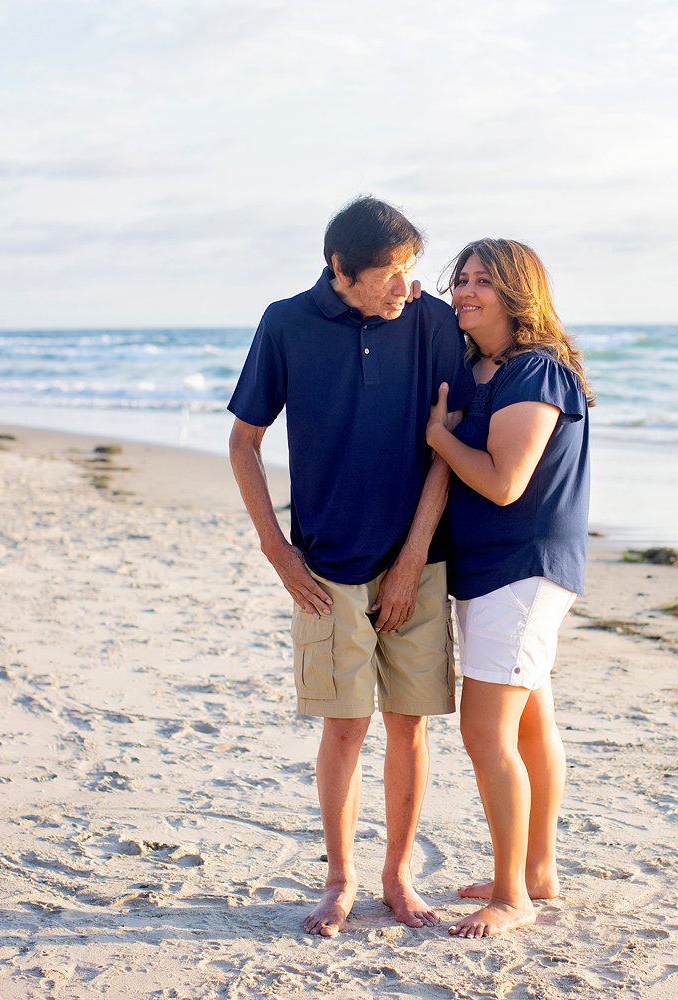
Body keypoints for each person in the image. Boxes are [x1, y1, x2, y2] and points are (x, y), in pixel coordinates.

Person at [227, 197, 475, 937]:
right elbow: (244, 443)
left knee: (410, 725)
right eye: (391, 274)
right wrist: (277, 549)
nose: (408, 286)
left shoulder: (430, 323)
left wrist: (407, 564)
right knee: (343, 728)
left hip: (419, 563)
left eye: (411, 268)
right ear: (341, 270)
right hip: (325, 567)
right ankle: (340, 880)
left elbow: (445, 448)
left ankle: (398, 878)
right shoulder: (286, 323)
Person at [423, 238, 592, 937]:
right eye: (460, 278)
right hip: (496, 571)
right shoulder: (480, 369)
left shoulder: (536, 371)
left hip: (521, 570)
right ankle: (536, 872)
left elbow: (503, 480)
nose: (464, 291)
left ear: (517, 292)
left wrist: (440, 438)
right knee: (529, 724)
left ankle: (513, 898)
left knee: (483, 730)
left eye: (482, 281)